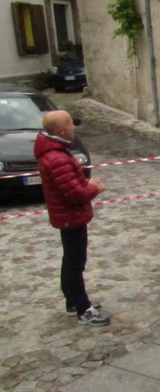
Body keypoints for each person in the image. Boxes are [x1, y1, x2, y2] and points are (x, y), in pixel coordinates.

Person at [35, 110, 110, 326]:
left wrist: (86, 185)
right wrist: (94, 188)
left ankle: (73, 302)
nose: (73, 127)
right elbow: (74, 194)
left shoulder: (56, 151)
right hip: (70, 216)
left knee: (71, 260)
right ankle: (83, 308)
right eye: (70, 124)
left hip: (68, 216)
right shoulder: (57, 159)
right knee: (75, 263)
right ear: (61, 130)